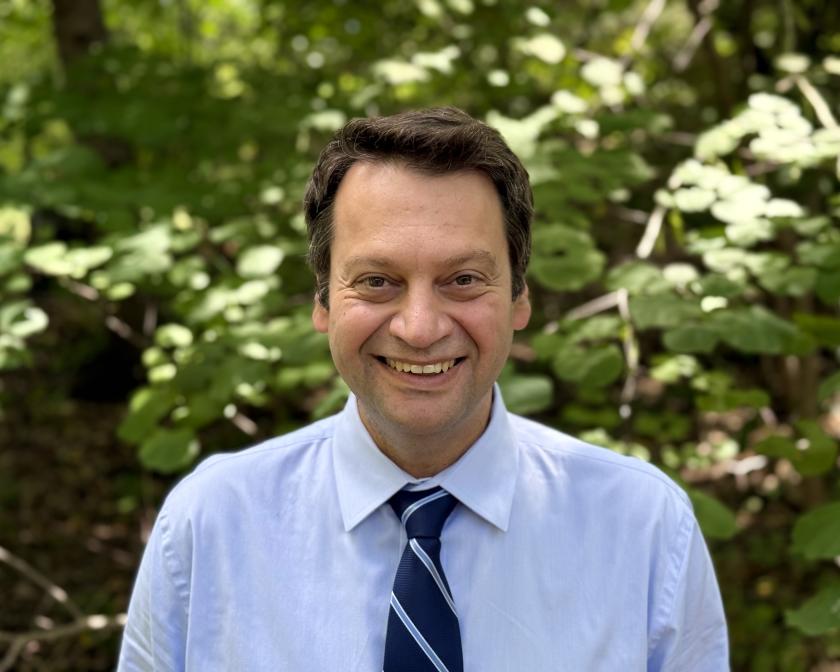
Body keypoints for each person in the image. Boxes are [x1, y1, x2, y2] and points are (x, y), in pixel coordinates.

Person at [118, 107, 728, 671]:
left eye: (463, 279)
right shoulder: (209, 528)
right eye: (378, 281)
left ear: (519, 298)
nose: (420, 327)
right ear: (324, 302)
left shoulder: (645, 530)